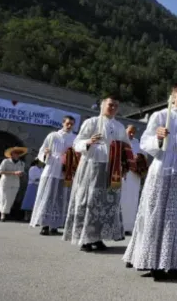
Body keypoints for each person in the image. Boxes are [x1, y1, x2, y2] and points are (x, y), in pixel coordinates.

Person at [122, 81, 177, 281]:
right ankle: (154, 264)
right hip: (162, 169)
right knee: (156, 216)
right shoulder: (159, 116)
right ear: (174, 94)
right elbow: (144, 143)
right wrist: (158, 138)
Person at [63, 96, 130, 252]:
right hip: (92, 166)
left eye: (116, 106)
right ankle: (85, 239)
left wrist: (125, 164)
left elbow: (126, 148)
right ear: (102, 105)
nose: (113, 108)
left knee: (106, 203)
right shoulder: (91, 122)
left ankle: (98, 237)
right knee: (89, 201)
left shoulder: (119, 127)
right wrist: (88, 142)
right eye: (110, 105)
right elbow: (77, 143)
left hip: (112, 169)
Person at [30, 116, 77, 235]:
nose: (69, 125)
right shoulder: (53, 136)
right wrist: (45, 154)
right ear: (63, 123)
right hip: (51, 168)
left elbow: (77, 155)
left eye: (72, 124)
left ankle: (55, 225)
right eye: (68, 123)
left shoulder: (75, 138)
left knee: (61, 198)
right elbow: (42, 150)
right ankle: (44, 225)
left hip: (65, 172)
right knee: (47, 197)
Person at [120, 125, 144, 235]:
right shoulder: (121, 141)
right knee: (122, 199)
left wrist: (138, 158)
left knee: (133, 199)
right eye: (130, 132)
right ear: (125, 131)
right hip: (124, 173)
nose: (131, 134)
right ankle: (120, 226)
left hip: (135, 175)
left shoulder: (137, 143)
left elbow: (144, 156)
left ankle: (129, 226)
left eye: (133, 132)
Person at [0, 147, 27, 221]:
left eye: (18, 153)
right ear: (12, 154)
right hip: (5, 182)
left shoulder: (21, 163)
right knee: (4, 198)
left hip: (15, 183)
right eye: (15, 153)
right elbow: (1, 172)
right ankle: (2, 215)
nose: (17, 154)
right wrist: (13, 173)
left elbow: (22, 173)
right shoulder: (5, 161)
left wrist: (20, 174)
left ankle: (4, 212)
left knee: (10, 199)